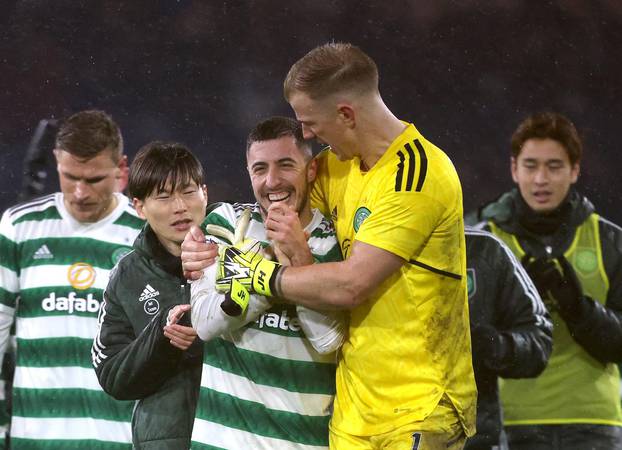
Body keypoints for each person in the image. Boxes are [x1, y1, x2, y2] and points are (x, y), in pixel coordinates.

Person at [182, 43, 477, 449]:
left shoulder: (416, 175)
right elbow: (280, 205)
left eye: (309, 122)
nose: (306, 134)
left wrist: (261, 276)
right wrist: (194, 246)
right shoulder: (336, 167)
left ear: (346, 114)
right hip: (352, 412)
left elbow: (351, 285)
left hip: (417, 406)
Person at [186, 116, 345, 449]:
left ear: (311, 170)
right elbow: (204, 323)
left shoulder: (336, 244)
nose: (272, 181)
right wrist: (273, 269)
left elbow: (328, 340)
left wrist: (301, 261)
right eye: (259, 169)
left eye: (286, 165)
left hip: (301, 442)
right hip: (221, 441)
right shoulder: (227, 225)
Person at [467, 111, 622, 449]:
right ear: (513, 168)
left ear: (575, 170)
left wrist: (580, 311)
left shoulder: (611, 242)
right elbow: (466, 339)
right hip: (510, 423)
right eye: (531, 165)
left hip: (594, 422)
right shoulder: (483, 244)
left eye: (554, 166)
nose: (541, 179)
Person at [0, 110, 142, 449]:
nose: (80, 192)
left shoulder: (146, 234)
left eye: (93, 180)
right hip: (34, 440)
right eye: (69, 177)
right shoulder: (20, 228)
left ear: (121, 170)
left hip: (120, 441)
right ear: (56, 163)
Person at [91, 142, 207, 449]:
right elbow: (112, 374)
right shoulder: (127, 276)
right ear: (140, 206)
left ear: (204, 193)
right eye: (164, 196)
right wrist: (162, 337)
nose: (179, 206)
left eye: (188, 191)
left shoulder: (240, 255)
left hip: (239, 436)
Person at [463, 226, 552, 450]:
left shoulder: (484, 249)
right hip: (375, 435)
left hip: (475, 440)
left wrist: (496, 346)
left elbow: (538, 339)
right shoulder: (363, 250)